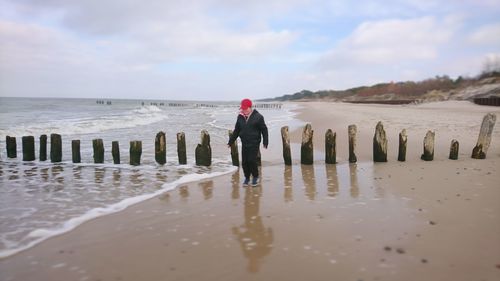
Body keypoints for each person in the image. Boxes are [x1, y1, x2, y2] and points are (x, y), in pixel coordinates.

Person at [228, 98, 268, 187]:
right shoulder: (240, 117)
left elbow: (264, 130)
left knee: (251, 160)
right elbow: (237, 130)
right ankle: (247, 177)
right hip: (244, 143)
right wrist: (230, 142)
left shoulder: (258, 117)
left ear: (250, 107)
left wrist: (265, 141)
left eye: (246, 109)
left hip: (254, 143)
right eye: (243, 109)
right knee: (245, 162)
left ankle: (255, 176)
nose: (244, 110)